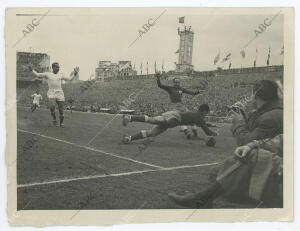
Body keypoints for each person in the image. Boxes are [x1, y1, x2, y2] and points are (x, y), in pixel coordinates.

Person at [168, 80, 283, 208]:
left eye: (252, 94)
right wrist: (244, 116)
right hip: (266, 166)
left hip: (268, 171)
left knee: (224, 173)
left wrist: (238, 122)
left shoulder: (271, 117)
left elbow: (246, 143)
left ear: (257, 95)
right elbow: (258, 138)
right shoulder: (270, 112)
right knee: (216, 172)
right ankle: (219, 195)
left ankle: (204, 199)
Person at [122, 104, 218, 144]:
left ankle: (129, 138)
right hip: (174, 117)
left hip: (174, 121)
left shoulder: (198, 116)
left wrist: (211, 128)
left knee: (152, 133)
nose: (207, 114)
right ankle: (129, 117)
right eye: (207, 112)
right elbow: (206, 130)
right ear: (204, 111)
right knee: (153, 120)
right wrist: (215, 133)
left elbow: (204, 125)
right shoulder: (199, 117)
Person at [156, 72, 204, 139]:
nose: (177, 83)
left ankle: (195, 134)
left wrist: (198, 92)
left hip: (181, 105)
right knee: (180, 118)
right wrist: (158, 78)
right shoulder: (170, 88)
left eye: (178, 82)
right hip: (174, 106)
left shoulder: (181, 89)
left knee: (191, 117)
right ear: (174, 83)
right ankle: (187, 132)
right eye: (176, 82)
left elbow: (191, 92)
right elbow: (160, 85)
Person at [30, 63, 77, 127]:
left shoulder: (61, 74)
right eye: (57, 67)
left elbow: (70, 79)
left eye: (59, 67)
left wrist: (74, 74)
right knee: (52, 108)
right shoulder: (48, 74)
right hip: (51, 93)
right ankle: (54, 119)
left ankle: (61, 123)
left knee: (61, 110)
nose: (58, 68)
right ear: (53, 68)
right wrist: (32, 70)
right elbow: (38, 75)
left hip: (60, 93)